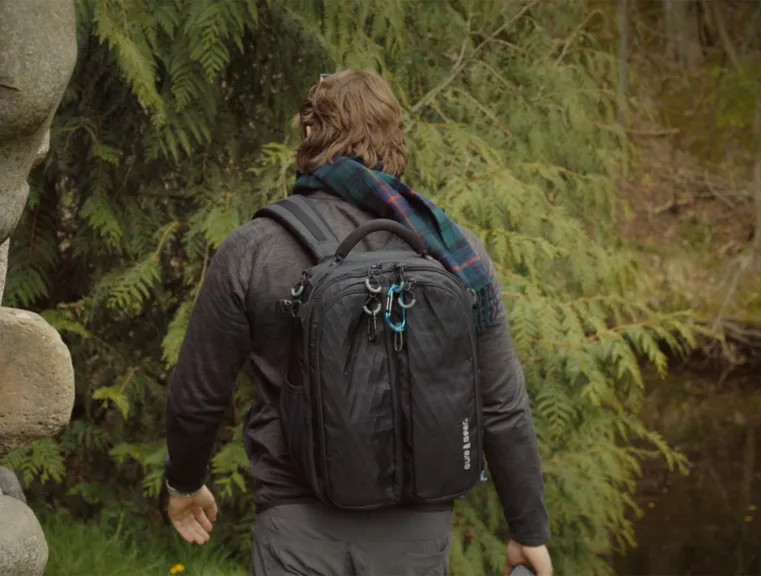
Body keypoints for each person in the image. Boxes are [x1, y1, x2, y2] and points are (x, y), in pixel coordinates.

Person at [163, 69, 553, 576]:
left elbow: (198, 396)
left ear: (307, 136)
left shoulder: (256, 248)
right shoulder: (455, 255)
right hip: (418, 532)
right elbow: (501, 405)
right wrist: (528, 532)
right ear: (396, 139)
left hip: (296, 528)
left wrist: (185, 485)